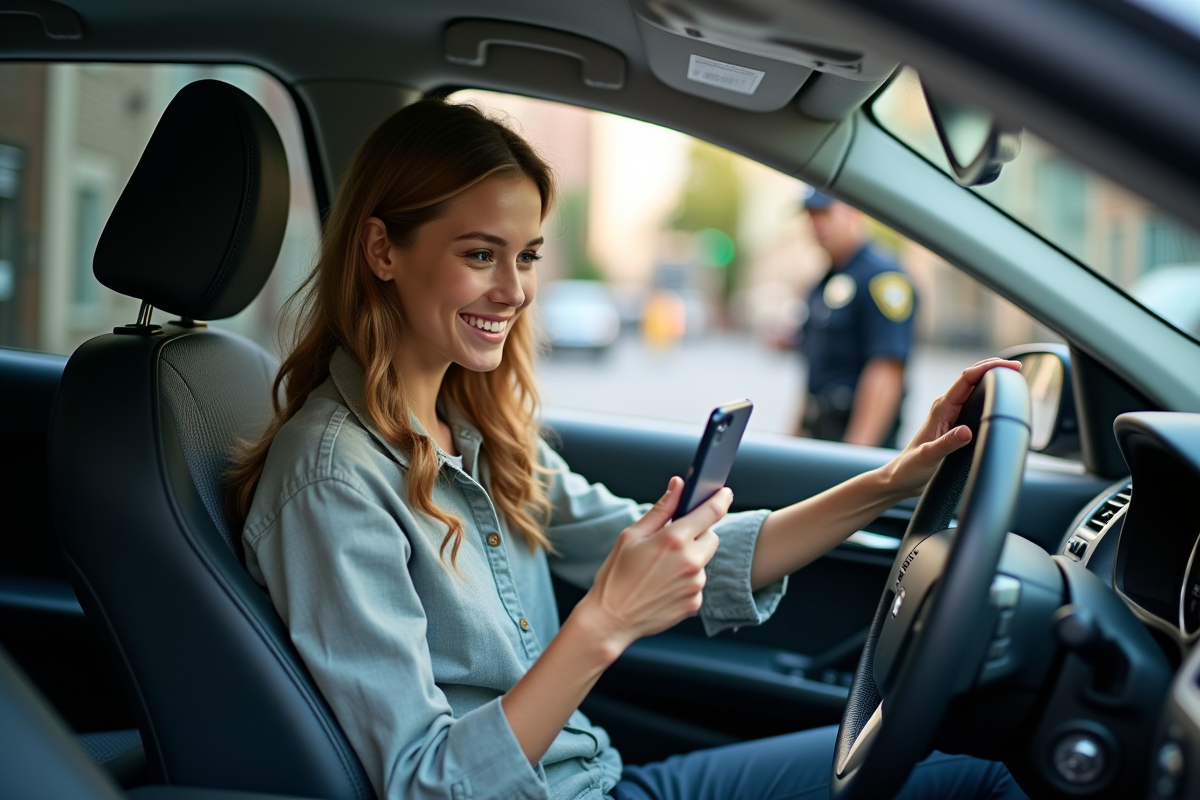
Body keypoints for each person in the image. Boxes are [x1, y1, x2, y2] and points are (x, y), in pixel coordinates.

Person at [226, 98, 1026, 800]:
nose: (515, 290)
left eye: (528, 255)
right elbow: (426, 786)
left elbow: (695, 556)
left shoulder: (477, 433)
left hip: (605, 780)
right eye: (480, 254)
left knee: (975, 756)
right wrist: (605, 622)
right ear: (383, 252)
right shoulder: (330, 478)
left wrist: (894, 479)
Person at [797, 189, 917, 448]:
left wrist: (855, 458)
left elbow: (886, 370)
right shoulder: (823, 284)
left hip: (856, 447)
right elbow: (814, 375)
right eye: (811, 214)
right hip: (821, 439)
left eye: (825, 212)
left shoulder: (883, 278)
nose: (817, 224)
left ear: (854, 211)